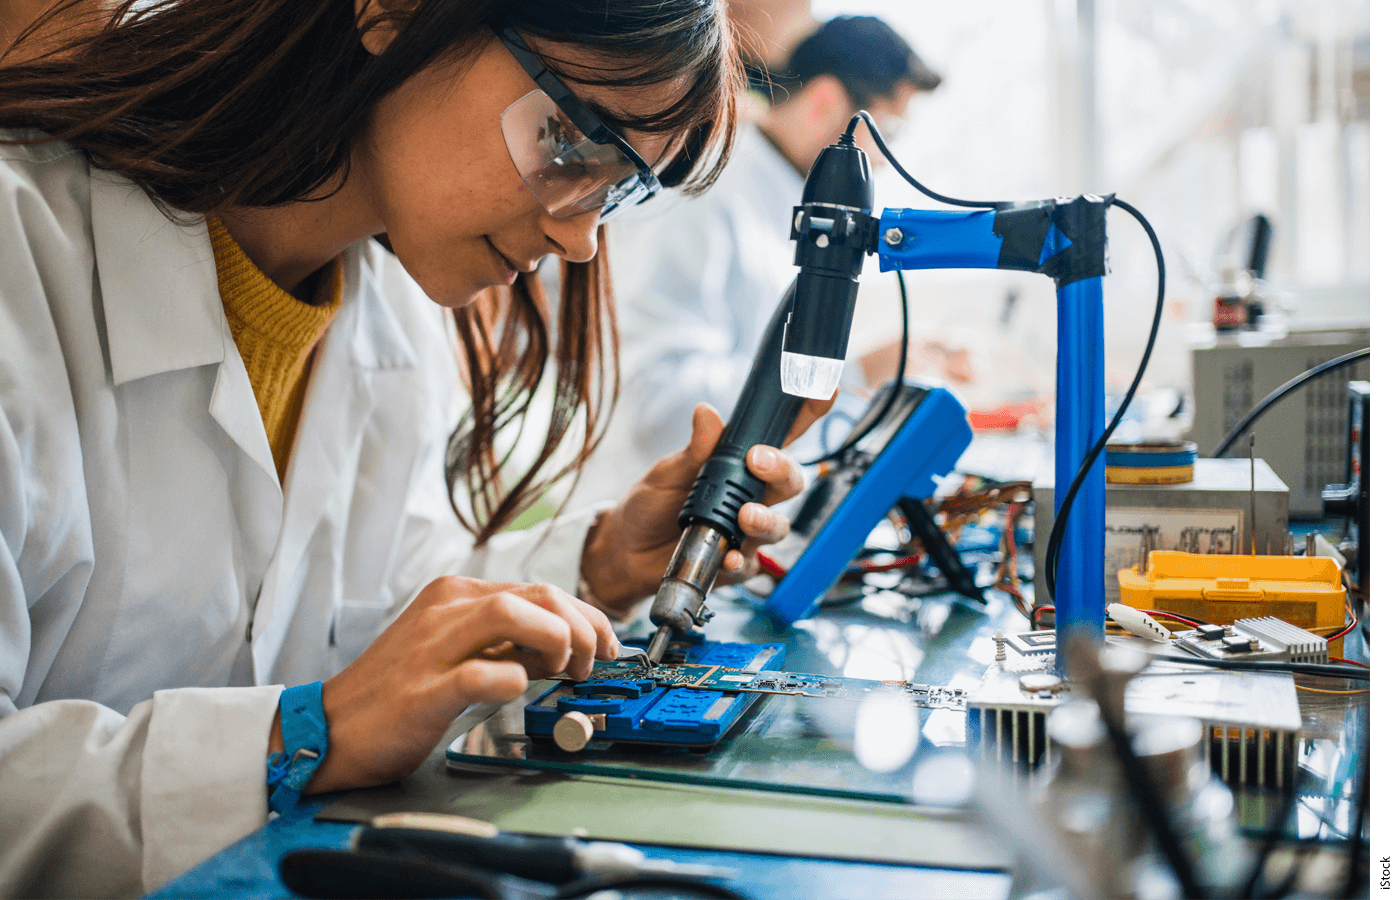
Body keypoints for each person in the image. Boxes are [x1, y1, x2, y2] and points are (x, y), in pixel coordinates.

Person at [0, 2, 827, 896]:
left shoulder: (388, 317)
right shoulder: (21, 262)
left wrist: (604, 559)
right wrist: (301, 736)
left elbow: (377, 605)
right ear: (391, 14)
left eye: (617, 190)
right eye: (575, 141)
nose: (580, 240)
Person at [566, 16, 942, 510]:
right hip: (641, 521)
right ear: (826, 101)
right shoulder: (703, 189)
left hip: (734, 512)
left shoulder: (785, 194)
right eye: (885, 129)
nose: (886, 159)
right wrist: (851, 372)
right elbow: (661, 404)